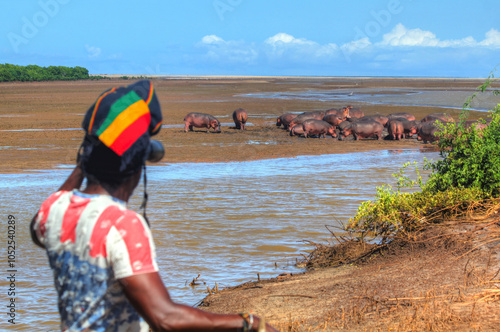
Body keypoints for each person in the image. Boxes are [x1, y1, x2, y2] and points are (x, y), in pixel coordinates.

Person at [30, 80, 278, 332]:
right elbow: (164, 318)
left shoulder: (55, 208)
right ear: (137, 167)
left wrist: (86, 157)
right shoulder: (122, 224)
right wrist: (248, 322)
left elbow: (41, 223)